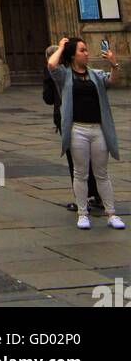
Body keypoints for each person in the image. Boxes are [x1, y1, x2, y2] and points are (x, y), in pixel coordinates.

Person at [47, 36, 124, 231]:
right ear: (72, 55)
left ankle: (111, 213)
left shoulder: (95, 74)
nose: (87, 53)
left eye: (86, 50)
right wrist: (62, 47)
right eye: (82, 50)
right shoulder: (64, 75)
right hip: (77, 129)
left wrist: (114, 64)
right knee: (80, 173)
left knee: (102, 173)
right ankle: (83, 213)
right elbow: (51, 64)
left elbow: (113, 80)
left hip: (98, 129)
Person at [43, 44, 103, 214]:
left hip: (69, 121)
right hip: (90, 121)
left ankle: (84, 200)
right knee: (95, 162)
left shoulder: (58, 74)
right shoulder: (78, 72)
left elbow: (47, 98)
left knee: (77, 164)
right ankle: (98, 196)